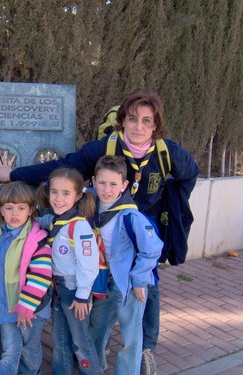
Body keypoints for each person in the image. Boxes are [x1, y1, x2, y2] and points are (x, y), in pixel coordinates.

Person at [0, 88, 199, 375]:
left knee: (146, 288)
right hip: (103, 235)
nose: (139, 127)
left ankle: (146, 349)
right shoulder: (103, 148)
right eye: (133, 119)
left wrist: (169, 200)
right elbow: (64, 168)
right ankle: (92, 355)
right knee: (101, 303)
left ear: (155, 125)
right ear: (122, 120)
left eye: (146, 121)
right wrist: (14, 175)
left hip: (138, 236)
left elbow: (190, 173)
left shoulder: (167, 152)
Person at [89, 155, 163, 374]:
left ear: (124, 185)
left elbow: (153, 248)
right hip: (104, 280)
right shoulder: (90, 207)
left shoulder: (131, 215)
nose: (107, 189)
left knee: (131, 335)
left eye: (113, 184)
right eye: (102, 183)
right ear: (93, 181)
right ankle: (96, 366)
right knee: (96, 328)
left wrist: (140, 279)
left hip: (129, 284)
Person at [36, 168, 101, 375]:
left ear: (78, 196)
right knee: (60, 340)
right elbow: (38, 221)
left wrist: (82, 296)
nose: (58, 199)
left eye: (66, 193)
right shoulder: (55, 220)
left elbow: (89, 265)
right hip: (57, 288)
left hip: (74, 292)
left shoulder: (79, 227)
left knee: (81, 342)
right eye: (54, 192)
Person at [0, 181, 53, 375]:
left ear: (30, 210)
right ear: (1, 210)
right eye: (9, 208)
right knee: (9, 350)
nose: (15, 214)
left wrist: (26, 307)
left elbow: (41, 276)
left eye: (21, 208)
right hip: (8, 303)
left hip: (31, 308)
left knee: (29, 348)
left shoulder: (36, 239)